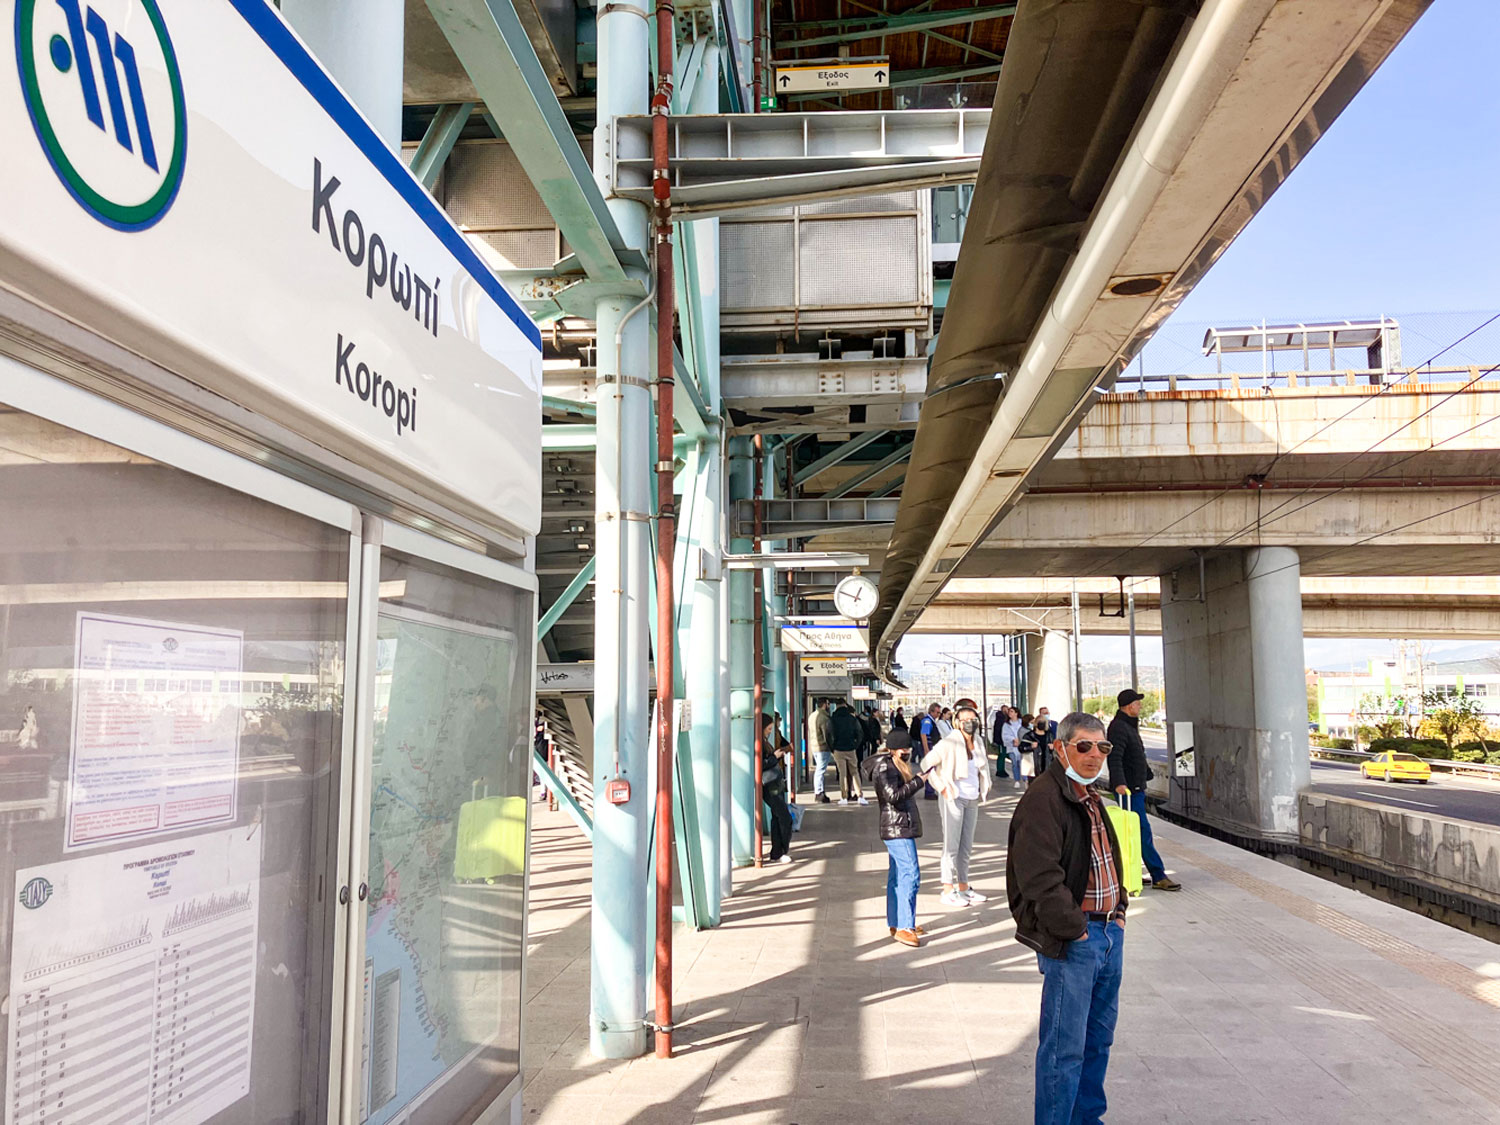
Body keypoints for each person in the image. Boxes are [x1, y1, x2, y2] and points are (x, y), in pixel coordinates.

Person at [1007, 712, 1127, 1125]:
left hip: (1109, 932)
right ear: (1060, 749)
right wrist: (1074, 929)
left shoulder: (1089, 795)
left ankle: (1087, 1120)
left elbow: (1108, 856)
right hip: (1078, 940)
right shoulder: (1044, 798)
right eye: (1084, 746)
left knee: (1098, 1042)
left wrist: (1121, 908)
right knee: (1064, 1048)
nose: (1095, 755)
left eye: (1102, 747)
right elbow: (1038, 876)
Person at [1106, 689, 1182, 892]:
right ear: (1129, 706)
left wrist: (1146, 773)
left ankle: (1132, 872)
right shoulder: (1119, 728)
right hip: (1128, 790)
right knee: (1141, 831)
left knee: (1134, 832)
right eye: (1137, 703)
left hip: (1135, 787)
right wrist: (1120, 784)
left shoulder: (1127, 725)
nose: (1140, 706)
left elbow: (1134, 754)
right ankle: (1158, 875)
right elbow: (1115, 758)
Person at [863, 729, 933, 947]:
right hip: (896, 828)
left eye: (908, 749)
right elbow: (892, 796)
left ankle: (899, 921)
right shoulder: (885, 767)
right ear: (893, 749)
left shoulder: (893, 764)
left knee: (897, 877)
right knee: (911, 874)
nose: (907, 752)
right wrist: (919, 781)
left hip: (899, 826)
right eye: (904, 749)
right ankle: (904, 926)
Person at [921, 704, 991, 906]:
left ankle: (963, 886)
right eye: (966, 720)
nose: (970, 723)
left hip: (972, 798)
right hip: (954, 797)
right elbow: (927, 765)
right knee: (951, 845)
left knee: (966, 845)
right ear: (957, 723)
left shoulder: (978, 741)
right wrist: (941, 787)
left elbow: (982, 768)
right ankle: (947, 888)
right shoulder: (949, 743)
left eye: (973, 719)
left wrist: (984, 787)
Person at [760, 714, 793, 863]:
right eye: (768, 729)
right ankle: (781, 851)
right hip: (769, 784)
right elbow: (761, 764)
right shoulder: (759, 743)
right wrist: (775, 756)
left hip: (773, 783)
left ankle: (777, 852)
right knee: (784, 817)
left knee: (777, 817)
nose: (770, 732)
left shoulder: (764, 741)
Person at [830, 702, 868, 805]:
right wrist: (855, 745)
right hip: (851, 749)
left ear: (837, 707)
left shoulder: (833, 719)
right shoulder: (852, 719)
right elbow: (860, 733)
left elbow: (830, 734)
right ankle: (860, 795)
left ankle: (844, 797)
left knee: (842, 774)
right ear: (845, 706)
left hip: (838, 749)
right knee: (854, 772)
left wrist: (832, 748)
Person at [916, 703, 943, 799]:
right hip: (929, 748)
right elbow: (924, 735)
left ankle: (930, 790)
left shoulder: (931, 721)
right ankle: (929, 791)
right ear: (931, 711)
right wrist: (926, 750)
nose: (938, 715)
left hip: (933, 748)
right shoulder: (927, 721)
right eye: (937, 712)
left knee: (932, 769)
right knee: (930, 770)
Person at [810, 698, 834, 804]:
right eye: (828, 703)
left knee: (820, 770)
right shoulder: (823, 718)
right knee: (820, 770)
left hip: (814, 746)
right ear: (824, 704)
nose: (829, 706)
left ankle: (820, 791)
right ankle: (819, 792)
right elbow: (827, 735)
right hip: (822, 747)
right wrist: (832, 747)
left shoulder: (812, 716)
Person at [999, 706, 1024, 783]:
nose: (1010, 713)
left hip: (1021, 746)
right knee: (1014, 763)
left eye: (1012, 711)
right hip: (1012, 746)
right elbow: (1004, 735)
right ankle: (1017, 780)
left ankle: (1025, 778)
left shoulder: (1022, 722)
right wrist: (1013, 739)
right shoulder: (1006, 724)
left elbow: (1025, 732)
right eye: (1009, 712)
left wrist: (1020, 740)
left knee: (1022, 763)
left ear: (1016, 713)